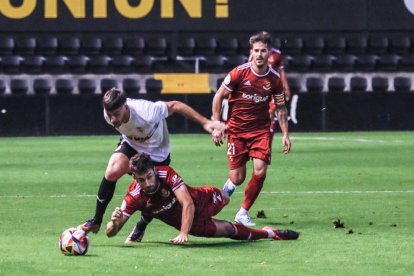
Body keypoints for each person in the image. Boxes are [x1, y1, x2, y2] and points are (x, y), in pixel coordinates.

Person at [80, 88, 225, 243]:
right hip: (132, 144)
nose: (113, 120)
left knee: (153, 190)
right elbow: (122, 125)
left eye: (116, 114)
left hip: (157, 152)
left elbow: (175, 105)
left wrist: (206, 123)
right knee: (111, 172)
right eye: (110, 115)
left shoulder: (146, 111)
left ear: (125, 107)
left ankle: (141, 226)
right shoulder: (108, 113)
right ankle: (96, 220)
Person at [105, 152, 299, 243]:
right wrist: (114, 223)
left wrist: (183, 233)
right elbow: (110, 234)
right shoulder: (134, 195)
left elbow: (187, 202)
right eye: (141, 180)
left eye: (149, 177)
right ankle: (271, 233)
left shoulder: (166, 174)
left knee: (225, 197)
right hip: (193, 224)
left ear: (154, 170)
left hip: (200, 199)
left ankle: (229, 186)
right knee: (230, 231)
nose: (147, 183)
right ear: (134, 178)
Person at [211, 31, 291, 227]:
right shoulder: (239, 73)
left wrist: (286, 134)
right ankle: (216, 203)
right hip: (237, 131)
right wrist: (216, 125)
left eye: (263, 51)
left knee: (260, 171)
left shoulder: (274, 79)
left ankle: (243, 212)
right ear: (251, 52)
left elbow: (280, 108)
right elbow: (218, 96)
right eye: (256, 51)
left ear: (269, 53)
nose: (260, 54)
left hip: (260, 131)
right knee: (237, 178)